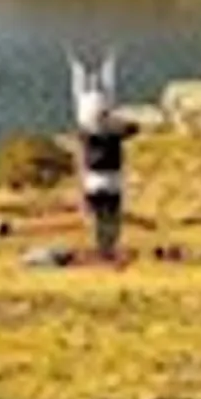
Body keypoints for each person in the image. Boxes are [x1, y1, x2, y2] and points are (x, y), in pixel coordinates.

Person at [70, 49, 128, 262]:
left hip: (105, 179)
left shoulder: (99, 134)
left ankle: (106, 248)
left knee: (105, 216)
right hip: (102, 179)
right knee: (105, 216)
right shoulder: (102, 134)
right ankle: (105, 248)